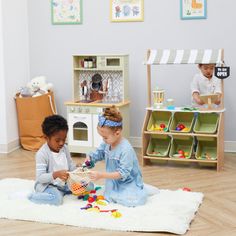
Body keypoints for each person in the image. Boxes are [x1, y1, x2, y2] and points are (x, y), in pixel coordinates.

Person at [85, 106, 158, 207]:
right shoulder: (107, 143)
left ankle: (140, 187)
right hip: (113, 181)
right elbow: (98, 153)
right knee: (109, 197)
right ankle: (126, 190)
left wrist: (101, 175)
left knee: (134, 201)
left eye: (105, 137)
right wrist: (90, 159)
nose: (103, 140)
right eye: (102, 137)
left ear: (117, 133)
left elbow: (122, 173)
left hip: (127, 181)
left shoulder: (125, 149)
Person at [28, 115, 77, 206]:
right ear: (46, 138)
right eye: (57, 140)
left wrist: (78, 170)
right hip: (48, 186)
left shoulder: (65, 148)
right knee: (56, 200)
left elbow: (71, 166)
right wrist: (56, 174)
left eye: (64, 139)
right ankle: (31, 197)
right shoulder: (42, 154)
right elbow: (40, 178)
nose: (61, 143)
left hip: (64, 184)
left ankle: (62, 192)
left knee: (88, 187)